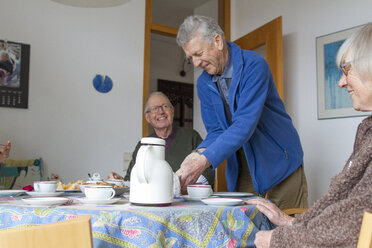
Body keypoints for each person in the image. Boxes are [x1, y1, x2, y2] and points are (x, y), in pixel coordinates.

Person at [246, 23, 372, 248]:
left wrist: (279, 239)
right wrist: (291, 222)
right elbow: (341, 199)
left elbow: (358, 217)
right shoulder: (367, 128)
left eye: (347, 70)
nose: (341, 82)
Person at [175, 15, 308, 210]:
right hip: (242, 165)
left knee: (287, 232)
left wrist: (203, 161)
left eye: (198, 53)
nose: (195, 63)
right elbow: (216, 131)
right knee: (245, 233)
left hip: (279, 162)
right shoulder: (204, 82)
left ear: (218, 41)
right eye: (190, 58)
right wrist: (197, 155)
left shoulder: (254, 65)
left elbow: (244, 124)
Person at [109, 91, 215, 185]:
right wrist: (120, 181)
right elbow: (132, 180)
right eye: (155, 108)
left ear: (172, 111)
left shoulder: (191, 136)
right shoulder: (143, 144)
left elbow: (208, 171)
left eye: (165, 106)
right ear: (148, 117)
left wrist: (181, 185)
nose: (161, 112)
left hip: (187, 201)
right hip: (151, 202)